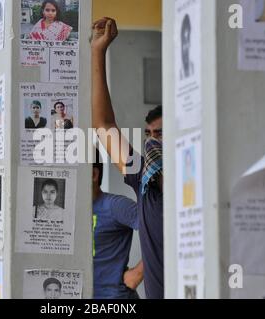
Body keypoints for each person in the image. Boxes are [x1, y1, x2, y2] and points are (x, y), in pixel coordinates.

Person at [91, 17, 164, 299]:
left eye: (160, 133)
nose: (152, 140)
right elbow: (104, 126)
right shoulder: (145, 180)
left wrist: (132, 277)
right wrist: (98, 51)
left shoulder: (198, 189)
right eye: (148, 133)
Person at [93, 151, 144, 299]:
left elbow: (162, 230)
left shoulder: (115, 205)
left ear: (93, 175)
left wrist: (138, 273)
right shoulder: (68, 213)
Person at [180, 14, 194, 81]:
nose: (186, 47)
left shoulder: (193, 68)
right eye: (184, 42)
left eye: (188, 39)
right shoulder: (180, 72)